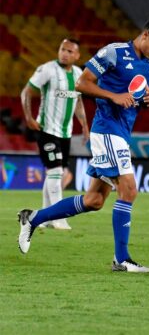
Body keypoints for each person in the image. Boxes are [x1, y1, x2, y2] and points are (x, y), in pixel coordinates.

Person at [17, 17, 149, 273]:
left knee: (94, 200)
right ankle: (121, 259)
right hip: (107, 129)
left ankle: (33, 218)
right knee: (129, 190)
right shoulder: (114, 52)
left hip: (123, 131)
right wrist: (114, 96)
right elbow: (82, 83)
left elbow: (145, 95)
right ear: (145, 35)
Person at [21, 38, 89, 230]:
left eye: (69, 51)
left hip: (65, 133)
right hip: (46, 130)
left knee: (54, 173)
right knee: (56, 171)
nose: (64, 53)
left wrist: (84, 124)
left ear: (77, 55)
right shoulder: (47, 70)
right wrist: (28, 117)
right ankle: (58, 218)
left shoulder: (78, 74)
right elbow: (26, 92)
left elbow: (78, 102)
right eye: (62, 49)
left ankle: (43, 216)